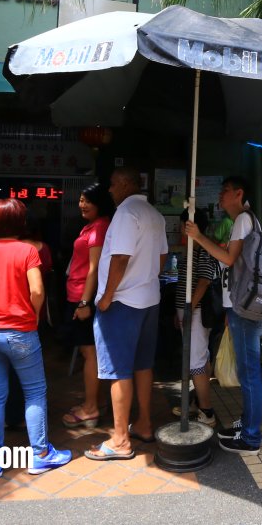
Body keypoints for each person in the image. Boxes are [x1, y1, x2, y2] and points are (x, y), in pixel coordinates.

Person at [0, 198, 71, 478]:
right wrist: (34, 315)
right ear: (21, 222)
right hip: (20, 332)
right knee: (34, 392)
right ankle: (40, 455)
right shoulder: (27, 251)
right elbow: (37, 290)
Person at [88, 167, 168, 461]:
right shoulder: (154, 214)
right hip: (149, 299)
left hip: (122, 303)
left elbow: (120, 257)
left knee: (119, 370)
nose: (109, 190)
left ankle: (120, 439)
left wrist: (107, 296)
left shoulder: (125, 213)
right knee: (143, 365)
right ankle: (144, 423)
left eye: (111, 184)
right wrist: (144, 279)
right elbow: (162, 258)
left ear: (123, 184)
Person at [185, 176, 262, 455]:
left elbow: (229, 259)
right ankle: (248, 424)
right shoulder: (248, 220)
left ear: (239, 193)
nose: (220, 195)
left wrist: (199, 237)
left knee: (249, 371)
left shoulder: (243, 219)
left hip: (243, 305)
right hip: (243, 304)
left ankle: (251, 437)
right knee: (248, 369)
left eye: (225, 191)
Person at [62, 183, 114, 430]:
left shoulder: (100, 228)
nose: (82, 204)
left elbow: (94, 269)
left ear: (100, 203)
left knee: (89, 352)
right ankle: (98, 401)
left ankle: (91, 409)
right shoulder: (91, 227)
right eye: (80, 200)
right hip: (79, 293)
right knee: (89, 351)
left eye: (87, 200)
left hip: (85, 296)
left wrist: (84, 302)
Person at [172, 209, 219, 427]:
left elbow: (204, 280)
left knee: (196, 360)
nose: (181, 229)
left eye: (183, 225)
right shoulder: (191, 249)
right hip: (190, 310)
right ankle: (196, 401)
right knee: (199, 358)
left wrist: (189, 308)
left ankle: (207, 411)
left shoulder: (202, 249)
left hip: (197, 312)